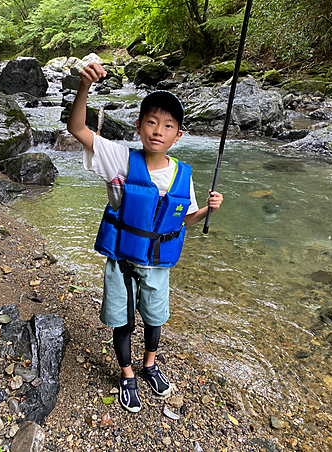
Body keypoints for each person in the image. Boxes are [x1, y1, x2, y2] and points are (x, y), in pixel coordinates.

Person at [67, 63, 223, 413]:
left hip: (157, 264)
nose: (158, 130)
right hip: (122, 259)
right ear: (139, 127)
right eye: (151, 122)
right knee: (122, 321)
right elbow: (76, 128)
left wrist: (209, 210)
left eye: (168, 125)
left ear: (178, 135)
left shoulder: (182, 174)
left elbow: (187, 219)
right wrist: (84, 86)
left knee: (154, 319)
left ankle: (149, 365)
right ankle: (126, 375)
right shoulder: (119, 159)